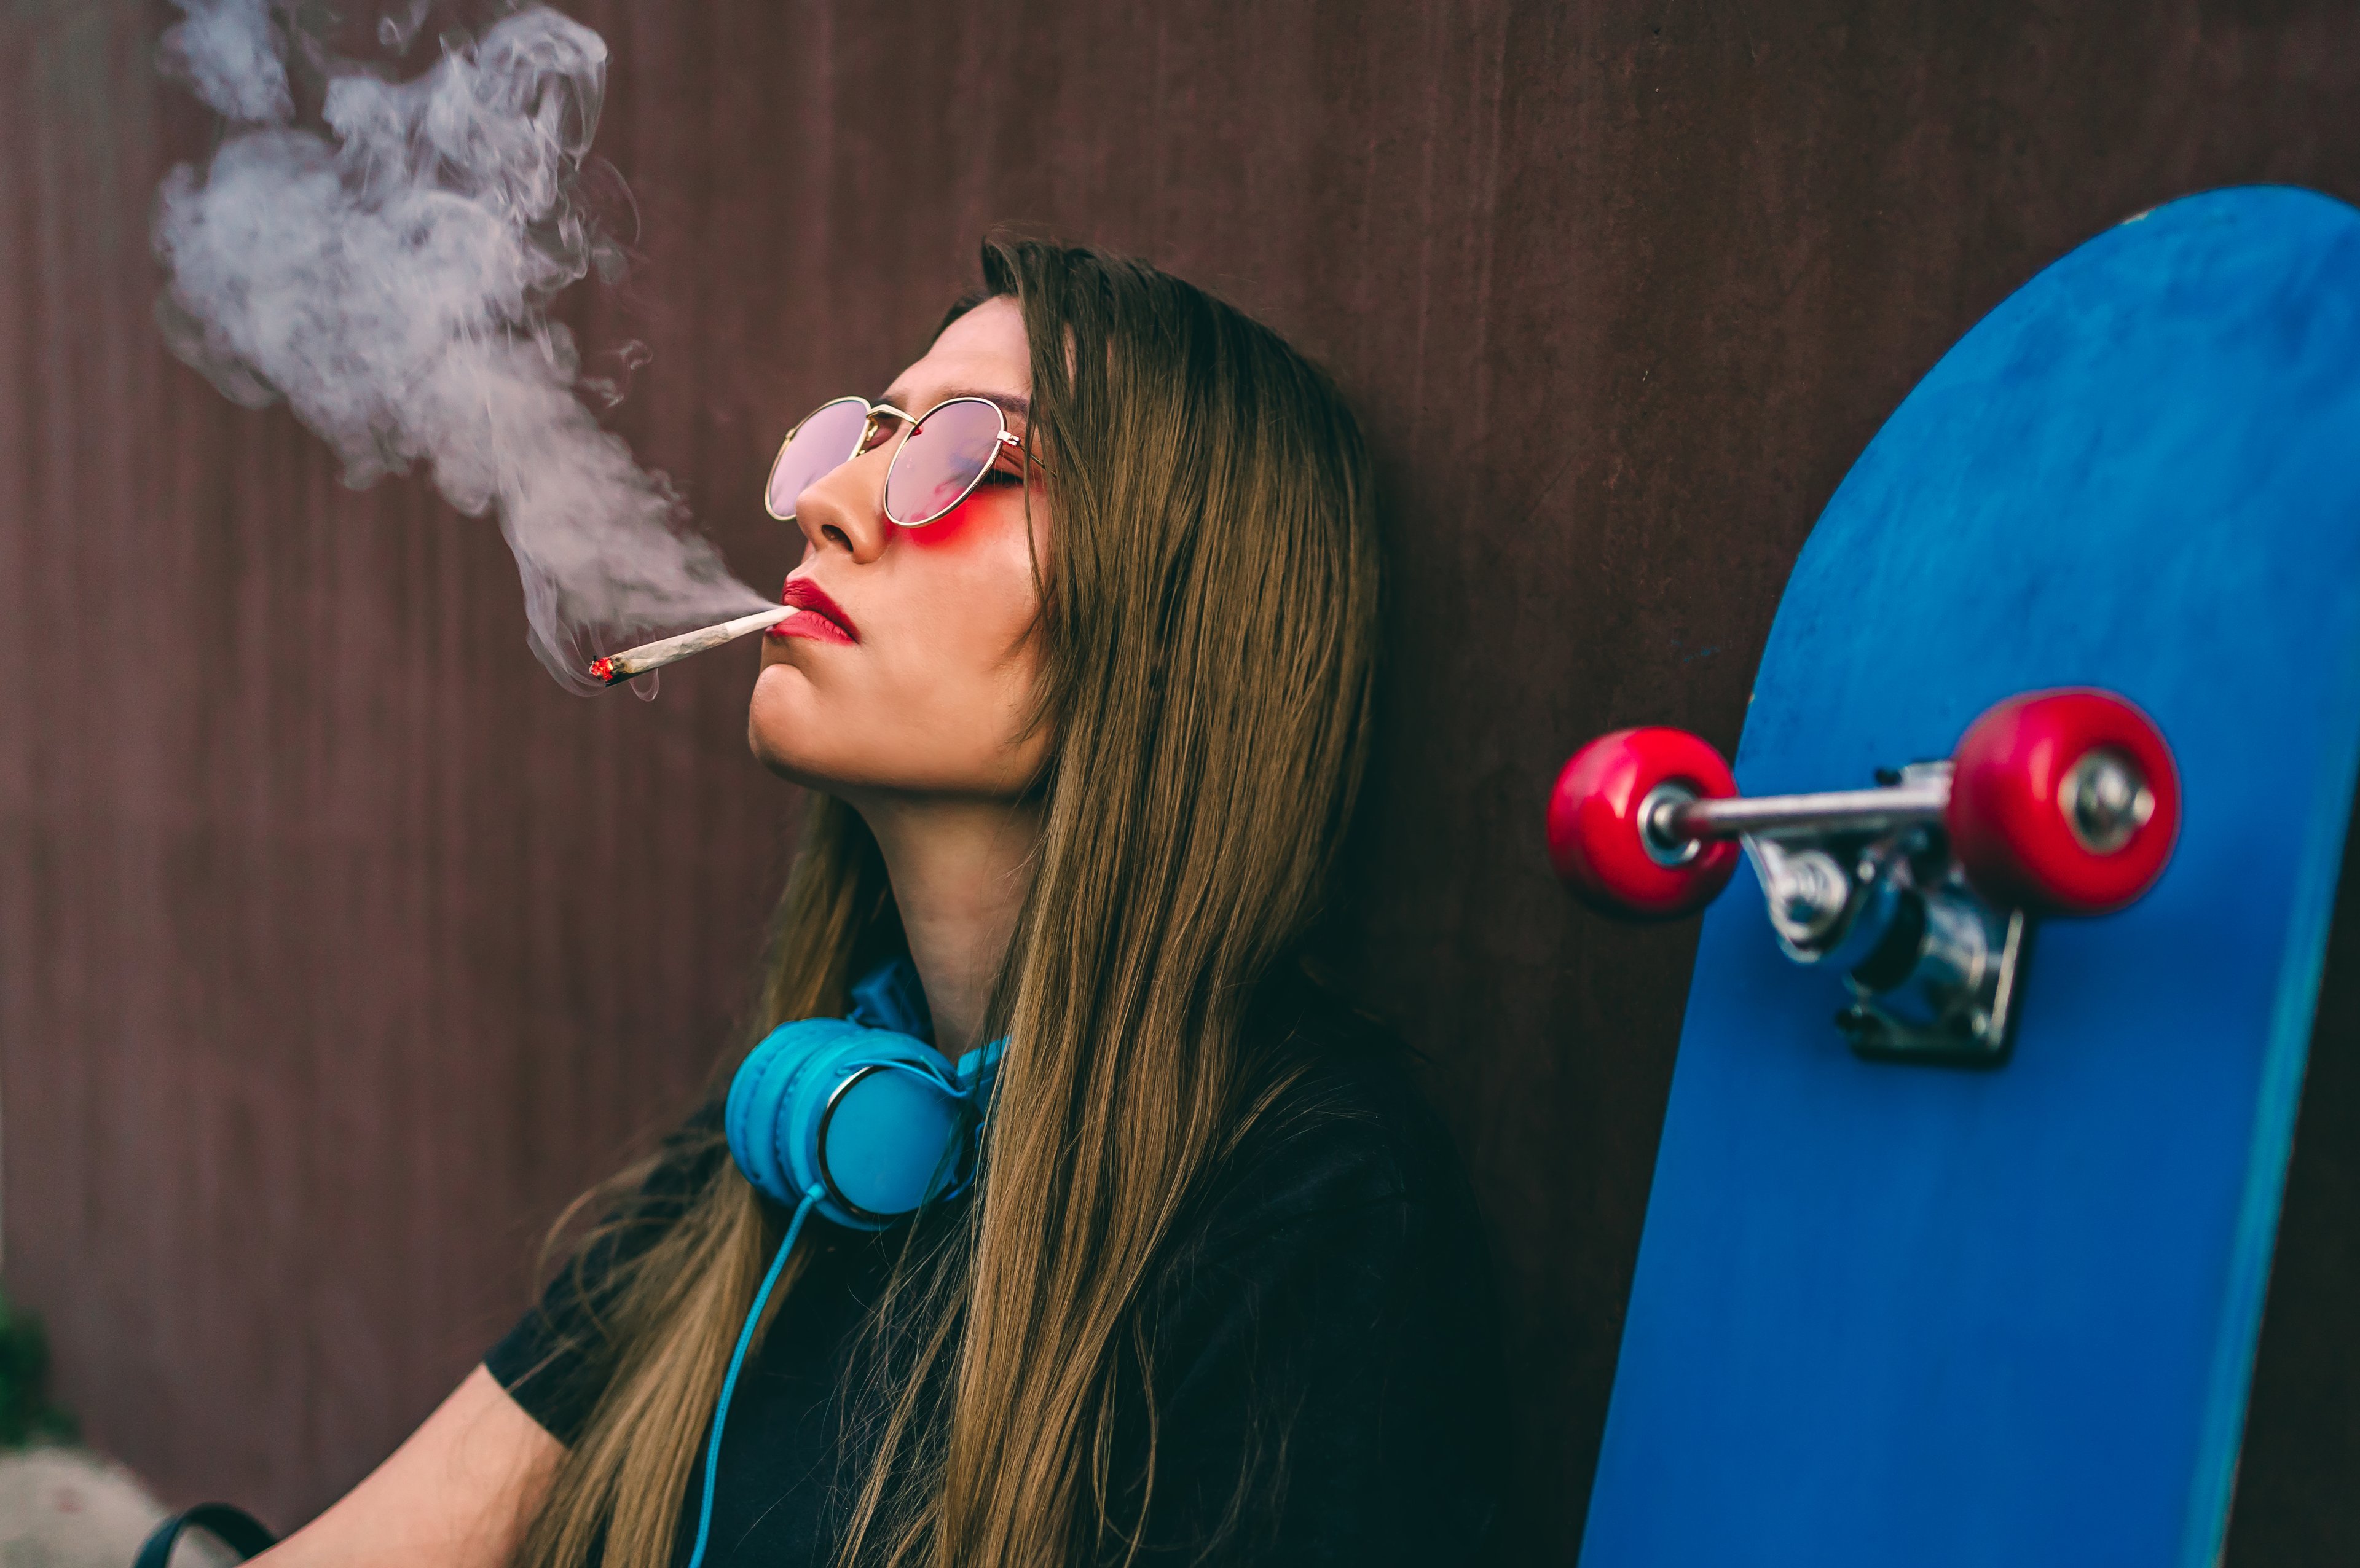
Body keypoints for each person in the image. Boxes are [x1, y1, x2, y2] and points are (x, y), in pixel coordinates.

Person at [254, 238, 1505, 1566]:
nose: (834, 502)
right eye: (868, 435)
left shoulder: (1310, 1219)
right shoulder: (801, 1132)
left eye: (973, 459)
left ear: (1171, 617)